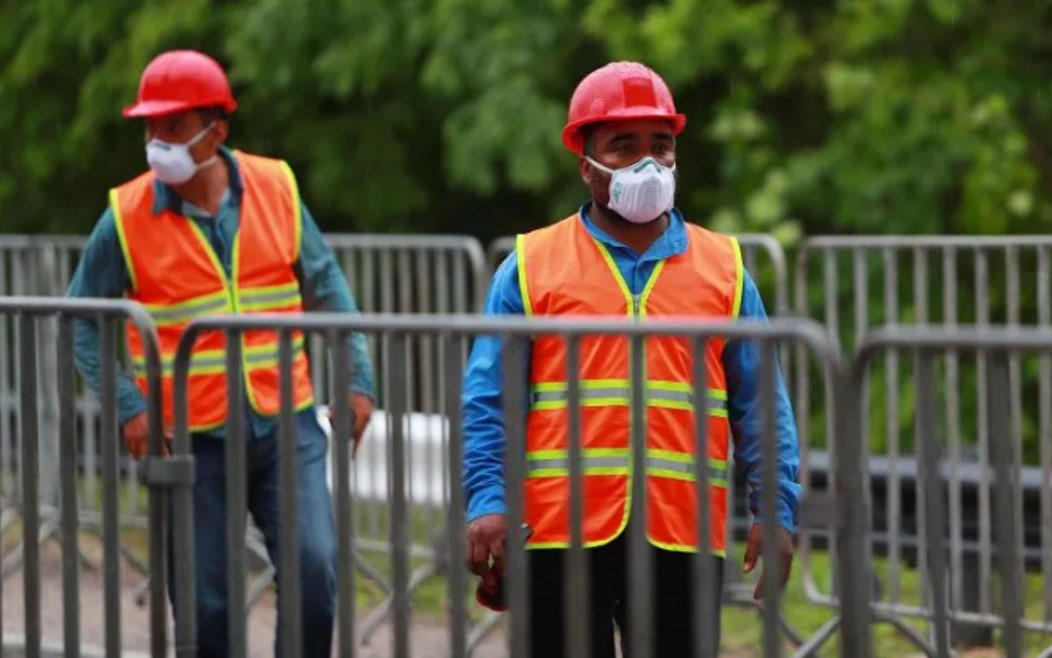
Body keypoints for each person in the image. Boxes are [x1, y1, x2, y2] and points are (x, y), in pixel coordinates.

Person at [461, 61, 801, 657]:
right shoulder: (531, 264)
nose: (647, 163)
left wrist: (775, 508)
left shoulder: (725, 269)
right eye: (624, 146)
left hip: (681, 534)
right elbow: (489, 400)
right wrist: (488, 501)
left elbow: (762, 405)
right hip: (560, 533)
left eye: (661, 145)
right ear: (584, 161)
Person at [66, 49, 375, 657]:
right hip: (192, 438)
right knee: (206, 605)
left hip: (286, 422)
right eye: (150, 128)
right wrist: (128, 403)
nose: (158, 142)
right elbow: (83, 320)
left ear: (217, 131)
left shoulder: (276, 187)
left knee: (315, 571)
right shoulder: (126, 215)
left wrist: (357, 375)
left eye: (173, 127)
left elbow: (327, 285)